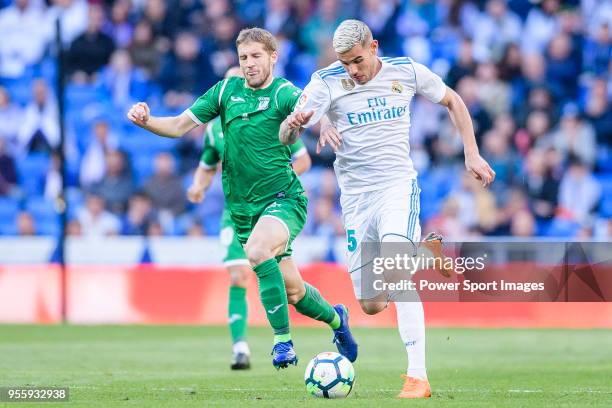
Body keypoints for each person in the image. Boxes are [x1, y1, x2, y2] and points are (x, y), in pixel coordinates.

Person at [280, 19, 495, 398]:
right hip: (356, 200)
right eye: (345, 63)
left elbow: (453, 100)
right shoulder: (326, 80)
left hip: (397, 187)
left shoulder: (406, 71)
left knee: (396, 274)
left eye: (358, 60)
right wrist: (297, 126)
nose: (352, 70)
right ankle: (425, 255)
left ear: (374, 46)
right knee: (371, 304)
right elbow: (288, 132)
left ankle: (418, 377)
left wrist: (471, 152)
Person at [127, 28, 357, 369]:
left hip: (284, 200)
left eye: (256, 56)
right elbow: (177, 125)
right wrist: (147, 122)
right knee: (294, 293)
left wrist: (323, 126)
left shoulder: (282, 92)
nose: (249, 64)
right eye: (244, 58)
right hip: (242, 211)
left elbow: (312, 108)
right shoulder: (224, 92)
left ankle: (282, 342)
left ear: (273, 57)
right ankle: (337, 320)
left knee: (256, 252)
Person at [186, 66, 312, 370]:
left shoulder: (271, 117)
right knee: (238, 275)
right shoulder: (214, 130)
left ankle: (332, 321)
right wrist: (198, 187)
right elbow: (207, 164)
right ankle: (240, 348)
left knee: (293, 288)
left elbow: (303, 159)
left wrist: (277, 185)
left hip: (272, 207)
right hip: (236, 213)